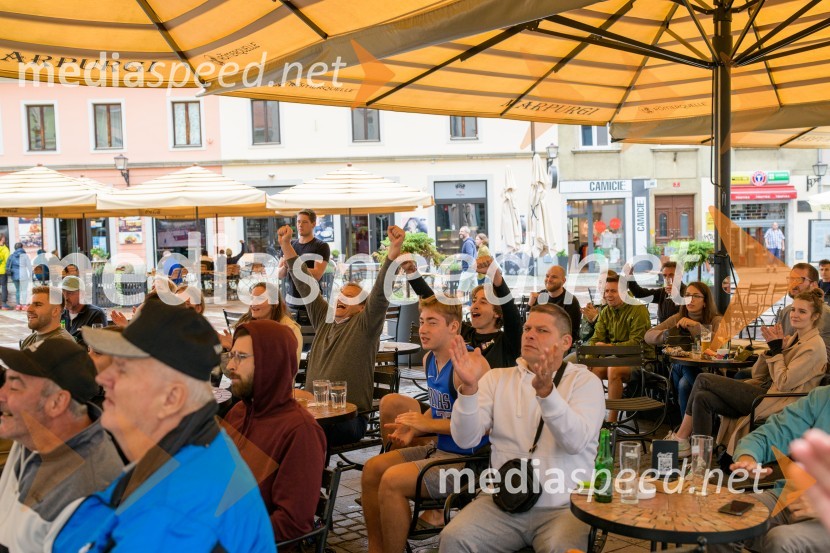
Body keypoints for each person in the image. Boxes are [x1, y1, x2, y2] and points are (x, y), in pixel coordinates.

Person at [53, 300, 276, 552]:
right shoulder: (182, 448)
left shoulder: (178, 509)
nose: (105, 377)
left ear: (172, 398)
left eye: (125, 370)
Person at [438, 303, 605, 553]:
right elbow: (465, 439)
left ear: (565, 342)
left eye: (542, 330)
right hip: (503, 503)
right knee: (454, 537)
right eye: (527, 327)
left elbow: (575, 441)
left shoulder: (584, 382)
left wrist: (547, 394)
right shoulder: (497, 379)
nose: (529, 334)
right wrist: (469, 390)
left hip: (565, 506)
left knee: (563, 549)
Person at [363, 298, 490, 553]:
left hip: (470, 463)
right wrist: (416, 426)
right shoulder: (430, 359)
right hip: (440, 451)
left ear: (454, 327)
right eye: (422, 322)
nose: (422, 329)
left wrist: (425, 424)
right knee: (372, 469)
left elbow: (482, 426)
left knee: (392, 481)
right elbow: (441, 405)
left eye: (432, 323)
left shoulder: (469, 365)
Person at [280, 224, 403, 447]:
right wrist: (286, 245)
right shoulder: (325, 319)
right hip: (314, 412)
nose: (342, 299)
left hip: (349, 419)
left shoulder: (365, 326)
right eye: (341, 295)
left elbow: (380, 296)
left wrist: (394, 252)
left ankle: (308, 478)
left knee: (303, 432)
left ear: (362, 308)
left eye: (350, 298)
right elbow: (305, 284)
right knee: (281, 425)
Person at [667, 288, 828, 458]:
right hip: (767, 392)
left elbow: (784, 383)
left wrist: (777, 351)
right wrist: (772, 350)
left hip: (779, 401)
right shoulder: (796, 338)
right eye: (793, 309)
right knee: (702, 398)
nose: (794, 315)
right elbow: (758, 374)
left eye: (802, 311)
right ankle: (700, 460)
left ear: (815, 316)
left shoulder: (813, 347)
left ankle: (681, 438)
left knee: (703, 378)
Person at [0, 339, 123, 551]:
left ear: (56, 403)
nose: (2, 395)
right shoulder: (33, 435)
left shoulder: (88, 493)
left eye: (15, 387)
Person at [222, 320, 327, 543]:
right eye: (231, 356)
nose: (231, 366)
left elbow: (292, 523)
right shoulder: (238, 413)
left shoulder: (300, 432)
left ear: (270, 363)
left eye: (240, 357)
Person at [709, 387, 830, 552]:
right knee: (722, 516)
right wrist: (748, 457)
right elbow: (775, 432)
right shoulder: (822, 398)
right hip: (792, 496)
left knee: (782, 540)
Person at [407, 257, 522, 369]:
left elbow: (512, 314)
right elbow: (435, 305)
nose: (475, 306)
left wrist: (496, 277)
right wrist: (412, 273)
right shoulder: (462, 333)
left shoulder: (507, 342)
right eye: (474, 300)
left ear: (497, 312)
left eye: (483, 302)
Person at [645, 281, 722, 415]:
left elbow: (720, 343)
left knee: (684, 384)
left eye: (696, 296)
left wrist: (696, 327)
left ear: (705, 302)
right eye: (687, 295)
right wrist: (667, 334)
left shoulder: (716, 320)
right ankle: (711, 400)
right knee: (683, 365)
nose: (690, 299)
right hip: (679, 368)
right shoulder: (678, 318)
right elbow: (648, 336)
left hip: (710, 372)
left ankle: (685, 431)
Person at [587, 274, 654, 421]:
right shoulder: (606, 311)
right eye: (607, 291)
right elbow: (596, 338)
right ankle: (595, 417)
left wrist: (610, 347)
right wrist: (589, 359)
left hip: (642, 360)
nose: (609, 295)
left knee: (613, 368)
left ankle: (612, 420)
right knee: (595, 369)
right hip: (616, 358)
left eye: (613, 291)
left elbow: (637, 344)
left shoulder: (638, 309)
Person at [218, 282, 302, 364]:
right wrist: (232, 349)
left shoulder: (290, 330)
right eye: (252, 298)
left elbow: (283, 370)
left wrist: (236, 350)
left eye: (260, 299)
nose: (253, 303)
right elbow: (234, 371)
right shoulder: (248, 326)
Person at [278, 209, 331, 325]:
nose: (300, 225)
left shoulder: (321, 246)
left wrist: (293, 264)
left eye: (305, 222)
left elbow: (317, 274)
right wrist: (286, 267)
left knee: (311, 342)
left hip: (311, 304)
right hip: (290, 303)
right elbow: (280, 274)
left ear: (313, 224)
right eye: (298, 222)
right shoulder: (289, 245)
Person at [776, 263, 830, 359]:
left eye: (799, 279)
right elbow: (778, 345)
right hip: (783, 364)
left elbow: (823, 357)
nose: (793, 283)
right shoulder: (785, 312)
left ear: (814, 284)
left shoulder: (826, 314)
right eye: (791, 279)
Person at [529, 265, 582, 345]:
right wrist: (530, 304)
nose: (549, 280)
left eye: (554, 277)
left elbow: (572, 332)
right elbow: (526, 322)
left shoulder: (570, 301)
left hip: (559, 345)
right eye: (547, 276)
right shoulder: (540, 296)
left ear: (563, 280)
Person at [60, 275, 107, 347]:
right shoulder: (59, 314)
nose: (65, 297)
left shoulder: (95, 314)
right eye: (63, 292)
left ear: (82, 294)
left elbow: (100, 346)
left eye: (70, 293)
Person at [6, 242, 30, 311]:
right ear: (22, 247)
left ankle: (18, 305)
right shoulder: (25, 256)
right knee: (24, 290)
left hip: (15, 275)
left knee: (18, 290)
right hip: (24, 275)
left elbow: (7, 266)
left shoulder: (11, 256)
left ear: (15, 248)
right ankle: (24, 305)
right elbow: (29, 266)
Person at [0, 236, 9, 310]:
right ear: (2, 239)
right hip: (2, 271)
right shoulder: (5, 249)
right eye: (4, 238)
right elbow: (7, 261)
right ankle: (4, 304)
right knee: (3, 287)